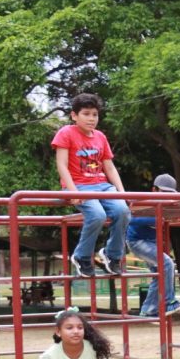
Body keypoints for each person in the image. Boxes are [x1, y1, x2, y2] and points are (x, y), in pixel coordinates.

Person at [52, 93, 129, 279]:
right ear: (74, 115)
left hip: (102, 185)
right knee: (97, 215)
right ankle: (82, 256)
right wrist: (73, 192)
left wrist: (122, 192)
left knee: (123, 211)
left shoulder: (100, 137)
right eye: (86, 114)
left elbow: (109, 167)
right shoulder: (66, 133)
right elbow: (61, 164)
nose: (91, 118)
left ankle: (112, 255)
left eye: (95, 114)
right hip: (79, 185)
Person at [125, 173, 180, 317]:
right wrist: (155, 219)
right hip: (137, 241)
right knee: (167, 264)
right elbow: (129, 219)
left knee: (160, 274)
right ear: (154, 190)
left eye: (169, 194)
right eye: (164, 192)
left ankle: (148, 309)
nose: (166, 197)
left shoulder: (166, 206)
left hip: (152, 243)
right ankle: (168, 302)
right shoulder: (143, 202)